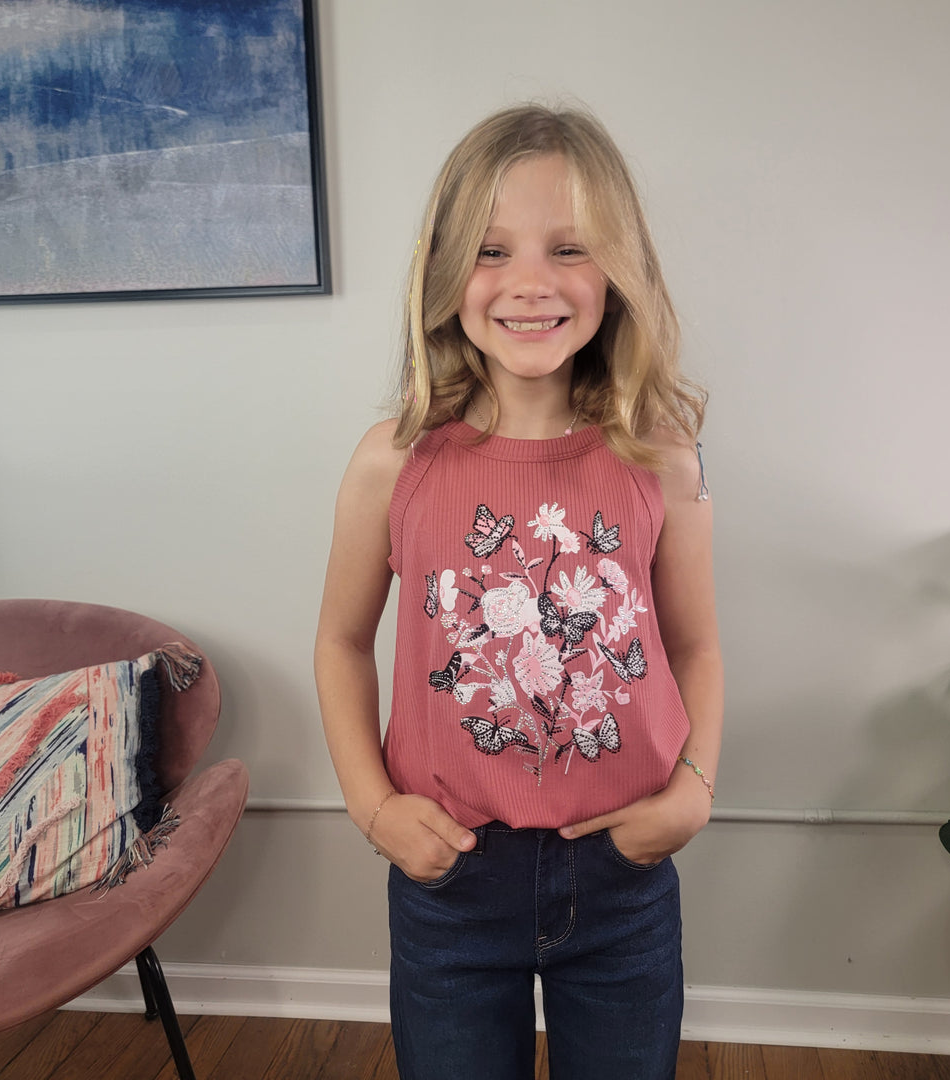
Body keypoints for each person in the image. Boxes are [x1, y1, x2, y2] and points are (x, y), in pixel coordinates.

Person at [314, 103, 723, 1080]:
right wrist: (373, 809)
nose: (530, 283)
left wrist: (696, 793)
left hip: (621, 874)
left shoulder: (660, 455)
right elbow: (339, 642)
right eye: (492, 250)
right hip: (452, 877)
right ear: (447, 269)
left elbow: (696, 645)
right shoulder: (393, 461)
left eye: (569, 247)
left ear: (619, 268)